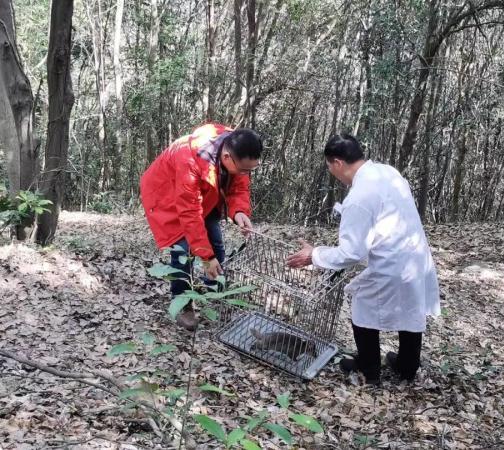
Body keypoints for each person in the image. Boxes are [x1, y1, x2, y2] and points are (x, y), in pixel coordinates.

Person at [286, 134, 440, 385]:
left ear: (337, 162)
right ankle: (407, 366)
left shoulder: (358, 197)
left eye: (329, 166)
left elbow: (351, 253)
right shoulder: (387, 172)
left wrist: (313, 255)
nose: (331, 172)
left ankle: (368, 369)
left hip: (392, 264)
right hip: (416, 256)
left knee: (363, 302)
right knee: (411, 307)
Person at [140, 123, 262, 331]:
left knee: (215, 244)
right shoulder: (189, 158)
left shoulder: (235, 148)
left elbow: (240, 186)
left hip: (207, 195)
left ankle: (216, 293)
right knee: (183, 250)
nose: (245, 174)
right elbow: (189, 213)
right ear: (226, 158)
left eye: (249, 170)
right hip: (168, 195)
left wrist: (239, 211)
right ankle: (183, 304)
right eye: (243, 170)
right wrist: (205, 257)